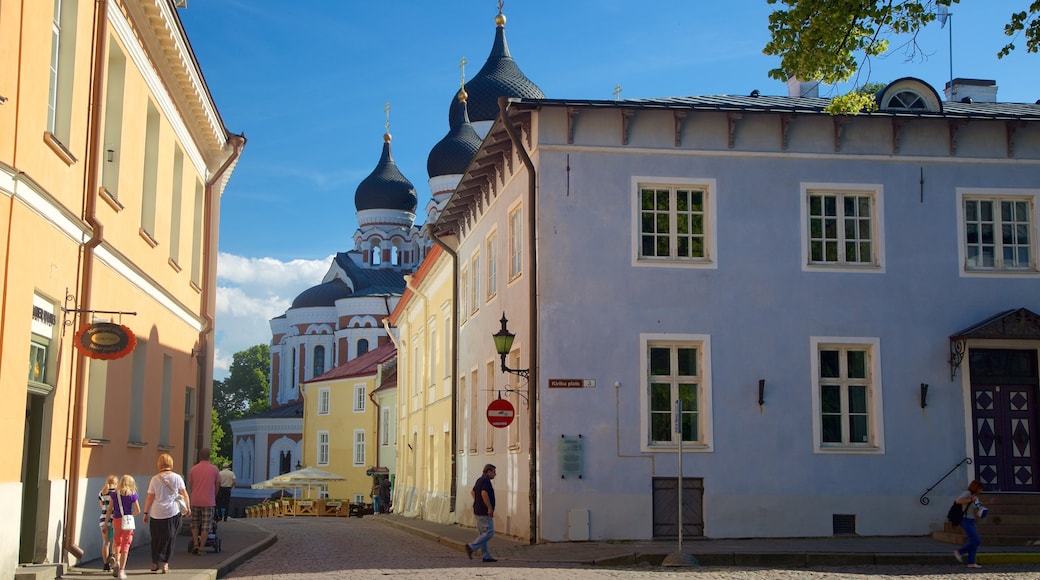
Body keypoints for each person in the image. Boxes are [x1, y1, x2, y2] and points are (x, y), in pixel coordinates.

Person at [143, 453, 191, 574]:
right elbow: (184, 493)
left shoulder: (154, 479)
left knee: (156, 538)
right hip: (172, 512)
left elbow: (150, 497)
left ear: (159, 464)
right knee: (170, 538)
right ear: (171, 463)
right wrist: (188, 507)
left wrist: (145, 512)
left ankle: (155, 562)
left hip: (156, 513)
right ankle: (165, 565)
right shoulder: (177, 477)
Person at [104, 474, 141, 580]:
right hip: (127, 522)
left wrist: (106, 522)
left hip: (116, 520)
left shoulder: (115, 494)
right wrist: (130, 515)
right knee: (126, 544)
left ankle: (117, 561)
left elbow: (110, 509)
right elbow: (138, 510)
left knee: (117, 542)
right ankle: (122, 570)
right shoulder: (132, 495)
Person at [188, 447, 220, 554]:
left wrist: (195, 493)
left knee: (195, 523)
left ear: (199, 456)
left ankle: (195, 544)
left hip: (195, 499)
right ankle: (202, 547)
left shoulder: (193, 469)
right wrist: (214, 495)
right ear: (209, 457)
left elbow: (191, 485)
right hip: (208, 500)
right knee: (206, 524)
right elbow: (217, 484)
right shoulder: (214, 469)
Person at [464, 464, 497, 563]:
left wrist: (478, 501)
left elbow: (473, 492)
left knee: (483, 534)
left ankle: (486, 556)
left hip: (478, 510)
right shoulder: (486, 481)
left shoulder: (479, 480)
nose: (495, 474)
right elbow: (484, 493)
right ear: (488, 471)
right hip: (484, 512)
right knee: (489, 532)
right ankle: (471, 546)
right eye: (494, 472)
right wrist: (489, 507)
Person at [953, 479, 985, 568]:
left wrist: (981, 509)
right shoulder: (968, 493)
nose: (981, 491)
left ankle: (971, 562)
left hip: (971, 520)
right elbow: (958, 501)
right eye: (980, 488)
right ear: (976, 488)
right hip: (965, 520)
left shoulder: (976, 497)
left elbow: (978, 507)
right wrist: (970, 499)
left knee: (973, 541)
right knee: (976, 540)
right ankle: (959, 552)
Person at [98, 474, 118, 572]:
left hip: (103, 520)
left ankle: (105, 564)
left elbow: (101, 506)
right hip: (114, 519)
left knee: (105, 542)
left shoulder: (101, 493)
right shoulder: (116, 493)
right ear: (116, 483)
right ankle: (112, 555)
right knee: (115, 540)